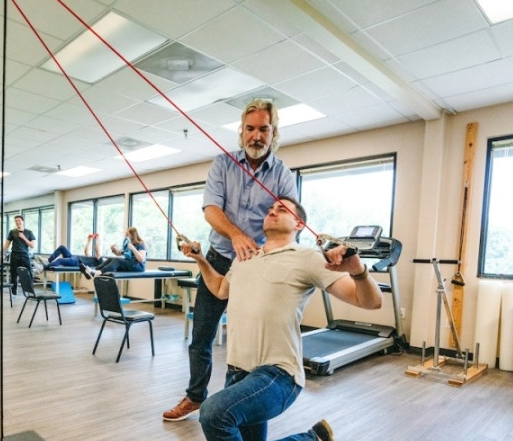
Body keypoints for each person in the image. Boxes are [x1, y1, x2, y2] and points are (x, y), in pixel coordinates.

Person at [181, 197, 382, 441]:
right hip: (238, 373)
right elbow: (220, 289)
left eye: (281, 209)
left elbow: (371, 302)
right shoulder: (245, 257)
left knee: (214, 414)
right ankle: (313, 439)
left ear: (298, 224)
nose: (272, 211)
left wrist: (358, 272)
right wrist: (201, 259)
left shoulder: (308, 257)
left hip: (278, 374)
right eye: (270, 209)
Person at [163, 98, 298, 422]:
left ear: (273, 132)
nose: (256, 136)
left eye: (263, 129)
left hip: (257, 265)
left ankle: (240, 403)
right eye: (250, 129)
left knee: (252, 341)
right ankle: (196, 397)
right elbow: (212, 209)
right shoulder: (223, 163)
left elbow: (287, 218)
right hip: (219, 258)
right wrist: (236, 235)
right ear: (241, 131)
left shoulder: (282, 174)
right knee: (202, 337)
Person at [78, 227, 145, 278]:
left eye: (127, 234)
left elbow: (141, 259)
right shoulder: (128, 244)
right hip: (129, 263)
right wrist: (114, 250)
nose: (125, 236)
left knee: (117, 261)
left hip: (138, 266)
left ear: (133, 235)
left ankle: (98, 273)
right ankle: (92, 271)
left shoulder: (140, 244)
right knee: (111, 259)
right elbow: (120, 253)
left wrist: (133, 249)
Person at [0, 215, 35, 293]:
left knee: (29, 273)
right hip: (15, 255)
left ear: (23, 221)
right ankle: (13, 292)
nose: (17, 222)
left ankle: (31, 292)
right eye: (16, 221)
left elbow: (32, 246)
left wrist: (24, 237)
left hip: (24, 255)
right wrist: (1, 254)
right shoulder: (12, 232)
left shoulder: (29, 232)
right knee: (14, 274)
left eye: (19, 220)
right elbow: (7, 244)